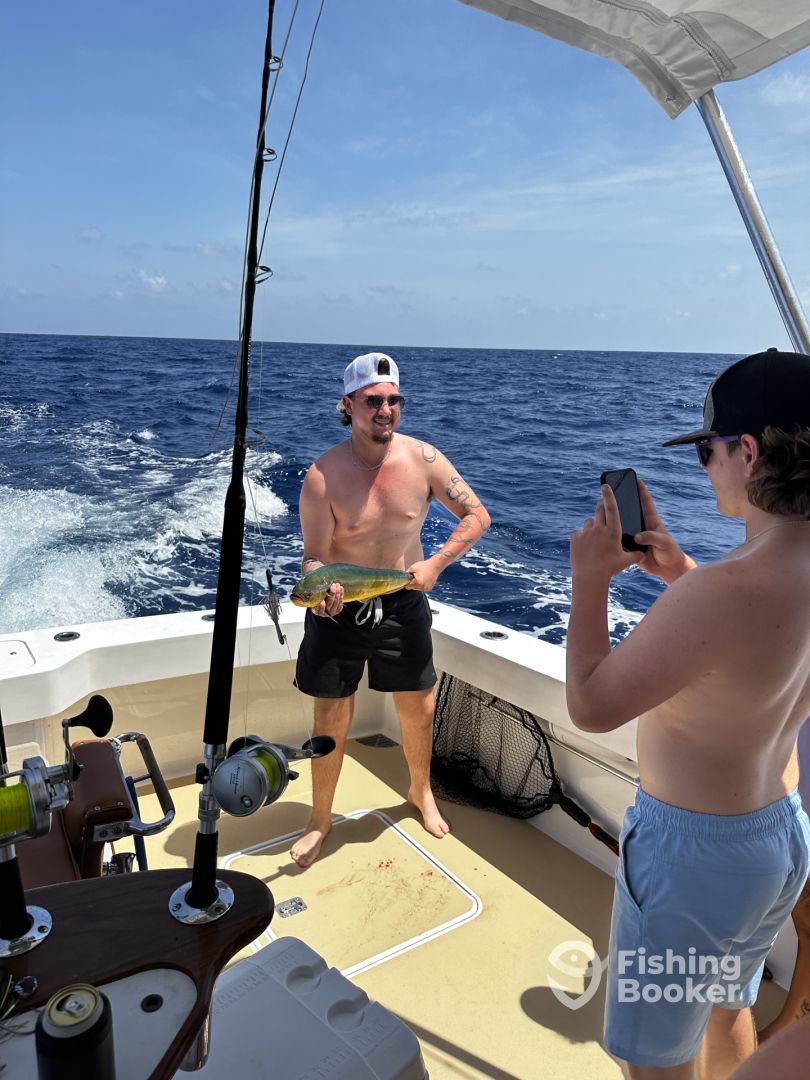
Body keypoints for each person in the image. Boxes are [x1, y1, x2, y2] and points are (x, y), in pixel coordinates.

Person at [565, 347, 810, 1079]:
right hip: (779, 839)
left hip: (694, 861)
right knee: (725, 1008)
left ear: (749, 452)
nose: (705, 467)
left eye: (709, 450)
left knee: (654, 1061)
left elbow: (591, 706)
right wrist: (677, 570)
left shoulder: (724, 592)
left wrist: (589, 581)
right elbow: (755, 644)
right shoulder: (758, 578)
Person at [290, 351, 490, 868]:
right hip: (340, 607)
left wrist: (437, 563)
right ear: (348, 404)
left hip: (405, 599)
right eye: (372, 400)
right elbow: (314, 555)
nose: (385, 410)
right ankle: (320, 818)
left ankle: (420, 791)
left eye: (393, 399)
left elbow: (476, 514)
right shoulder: (322, 475)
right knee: (330, 713)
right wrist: (322, 590)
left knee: (419, 707)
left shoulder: (424, 459)